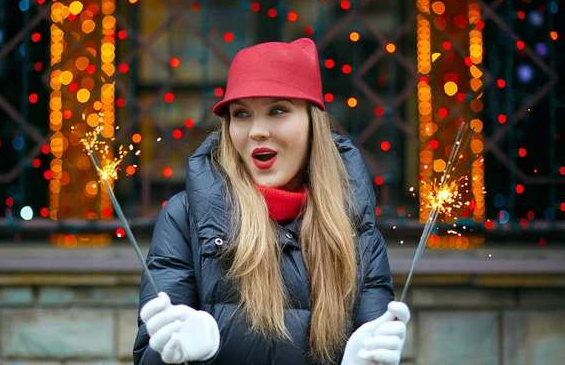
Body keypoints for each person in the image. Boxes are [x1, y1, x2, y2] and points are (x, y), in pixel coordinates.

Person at [133, 38, 410, 365]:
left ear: (312, 123)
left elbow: (372, 343)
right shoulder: (184, 217)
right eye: (241, 114)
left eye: (278, 110)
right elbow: (148, 355)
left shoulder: (356, 230)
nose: (256, 131)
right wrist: (178, 357)